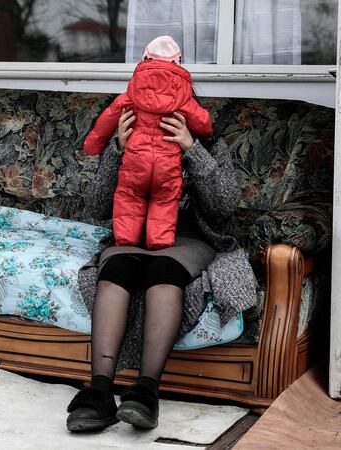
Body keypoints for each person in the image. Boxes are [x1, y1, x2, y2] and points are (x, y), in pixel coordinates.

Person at [65, 80, 258, 431]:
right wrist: (119, 151)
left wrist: (191, 148)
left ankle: (146, 391)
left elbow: (225, 207)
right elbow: (94, 208)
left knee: (164, 271)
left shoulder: (211, 145)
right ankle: (100, 392)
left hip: (188, 240)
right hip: (131, 234)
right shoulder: (129, 141)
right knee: (116, 269)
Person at [83, 35, 212, 250]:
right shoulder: (184, 98)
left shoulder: (131, 94)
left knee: (129, 195)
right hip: (167, 166)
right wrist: (200, 135)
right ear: (177, 66)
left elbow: (107, 118)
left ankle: (125, 240)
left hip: (136, 162)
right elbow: (204, 124)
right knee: (165, 200)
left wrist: (93, 145)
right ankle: (159, 242)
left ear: (144, 61)